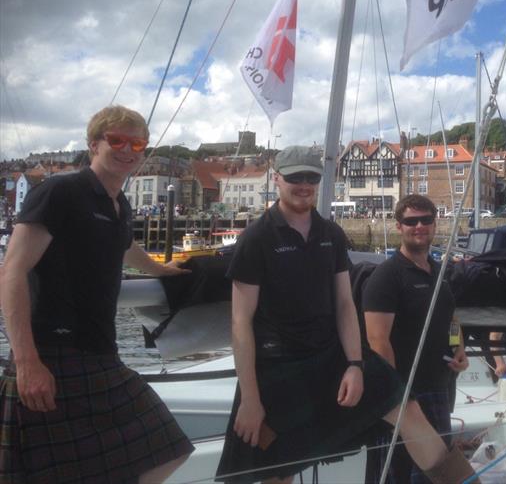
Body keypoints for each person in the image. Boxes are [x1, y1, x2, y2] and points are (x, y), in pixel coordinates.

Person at [215, 147, 478, 484]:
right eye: (295, 177)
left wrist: (355, 364)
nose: (304, 184)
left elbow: (343, 305)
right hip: (278, 363)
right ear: (277, 178)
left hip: (329, 353)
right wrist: (250, 400)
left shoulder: (331, 234)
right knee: (279, 467)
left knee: (407, 409)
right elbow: (240, 322)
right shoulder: (257, 239)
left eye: (312, 177)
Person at [0, 105, 194, 483]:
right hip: (52, 355)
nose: (128, 150)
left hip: (100, 352)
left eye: (137, 142)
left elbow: (126, 246)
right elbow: (12, 272)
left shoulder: (119, 204)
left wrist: (162, 271)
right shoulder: (59, 191)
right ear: (94, 145)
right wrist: (27, 362)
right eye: (117, 140)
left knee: (168, 450)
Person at [362, 194, 469, 483]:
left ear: (435, 224)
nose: (419, 226)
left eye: (426, 220)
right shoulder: (387, 276)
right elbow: (378, 341)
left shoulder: (438, 273)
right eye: (411, 221)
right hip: (407, 396)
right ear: (399, 226)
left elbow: (450, 319)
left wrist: (459, 348)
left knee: (436, 471)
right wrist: (398, 398)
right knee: (400, 475)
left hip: (440, 388)